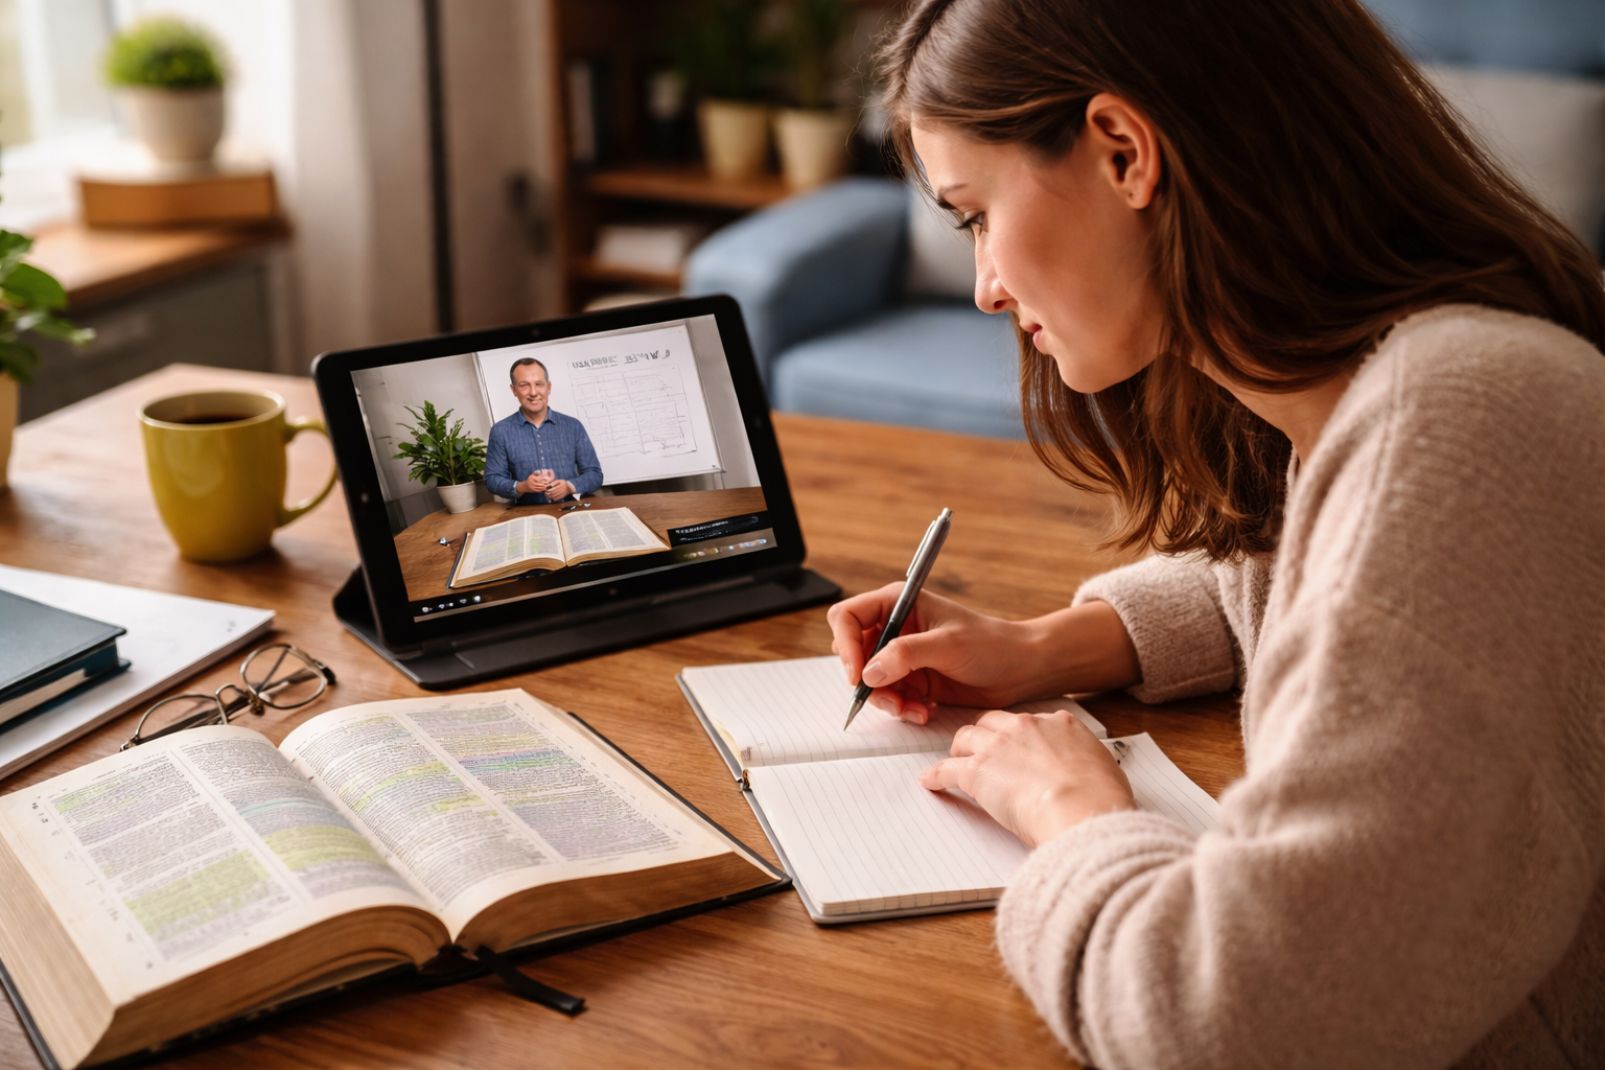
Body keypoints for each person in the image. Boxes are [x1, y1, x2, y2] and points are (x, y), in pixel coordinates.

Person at [827, 1, 1605, 1066]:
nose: (985, 287)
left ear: (1122, 150)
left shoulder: (1456, 421)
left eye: (975, 214)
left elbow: (1229, 1024)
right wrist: (1054, 644)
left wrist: (1072, 810)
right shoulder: (1399, 385)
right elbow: (1327, 573)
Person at [484, 357, 603, 504]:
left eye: (539, 384)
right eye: (524, 385)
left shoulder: (573, 426)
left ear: (549, 387)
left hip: (571, 509)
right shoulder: (500, 431)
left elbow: (595, 475)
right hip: (527, 514)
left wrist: (569, 486)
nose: (533, 392)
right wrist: (522, 487)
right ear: (514, 390)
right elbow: (492, 480)